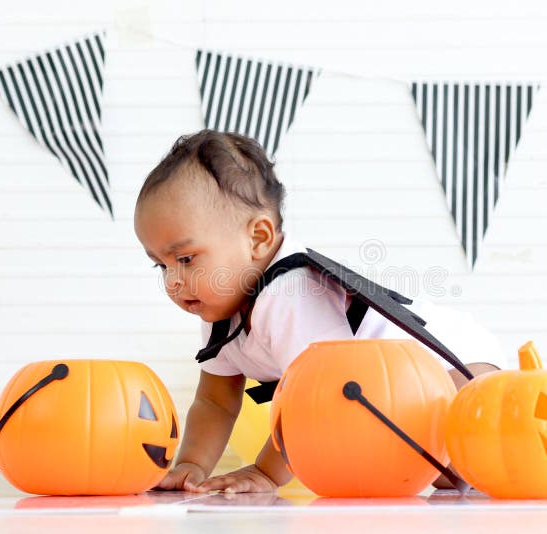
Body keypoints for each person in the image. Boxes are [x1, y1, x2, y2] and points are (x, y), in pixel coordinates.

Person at [133, 129, 505, 494]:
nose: (172, 282)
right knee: (424, 468)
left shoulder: (289, 294)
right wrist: (192, 466)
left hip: (455, 366)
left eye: (185, 259)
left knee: (463, 453)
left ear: (258, 238)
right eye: (161, 265)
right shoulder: (220, 306)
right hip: (392, 403)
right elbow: (215, 401)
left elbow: (320, 397)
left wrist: (266, 472)